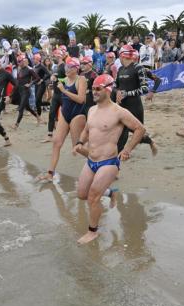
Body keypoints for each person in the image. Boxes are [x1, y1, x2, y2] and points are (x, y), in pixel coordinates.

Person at [72, 75, 146, 244]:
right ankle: (111, 192)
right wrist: (80, 142)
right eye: (93, 89)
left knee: (92, 197)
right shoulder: (91, 110)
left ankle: (92, 232)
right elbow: (86, 129)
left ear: (107, 89)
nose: (93, 92)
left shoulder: (119, 112)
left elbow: (140, 129)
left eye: (98, 89)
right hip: (91, 160)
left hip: (109, 162)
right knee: (82, 194)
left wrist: (127, 149)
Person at [36, 57, 88, 182]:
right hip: (65, 114)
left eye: (69, 68)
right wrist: (53, 78)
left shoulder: (81, 79)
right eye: (66, 67)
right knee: (56, 143)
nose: (66, 69)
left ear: (75, 69)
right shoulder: (65, 79)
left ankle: (103, 162)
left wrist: (64, 90)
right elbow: (55, 79)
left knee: (78, 147)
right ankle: (50, 173)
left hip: (77, 115)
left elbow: (82, 99)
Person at [114, 45, 158, 156]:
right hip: (122, 106)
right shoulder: (120, 69)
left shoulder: (139, 68)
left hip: (134, 106)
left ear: (121, 55)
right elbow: (115, 86)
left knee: (138, 133)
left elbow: (144, 88)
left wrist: (152, 91)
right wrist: (117, 92)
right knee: (120, 133)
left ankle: (150, 141)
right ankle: (116, 159)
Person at [11, 54, 42, 129]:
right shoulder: (20, 70)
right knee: (27, 107)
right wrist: (13, 92)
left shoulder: (29, 70)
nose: (18, 63)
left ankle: (16, 125)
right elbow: (18, 82)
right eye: (18, 62)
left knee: (21, 108)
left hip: (26, 91)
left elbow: (38, 78)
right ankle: (38, 117)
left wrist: (30, 84)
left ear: (23, 61)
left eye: (20, 62)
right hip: (20, 91)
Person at [43, 49, 66, 143]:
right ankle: (49, 135)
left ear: (59, 56)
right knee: (51, 113)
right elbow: (57, 80)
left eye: (54, 57)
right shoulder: (56, 67)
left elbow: (68, 79)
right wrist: (53, 84)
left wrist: (57, 78)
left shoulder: (64, 66)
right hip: (56, 93)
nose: (53, 58)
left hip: (63, 94)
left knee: (66, 115)